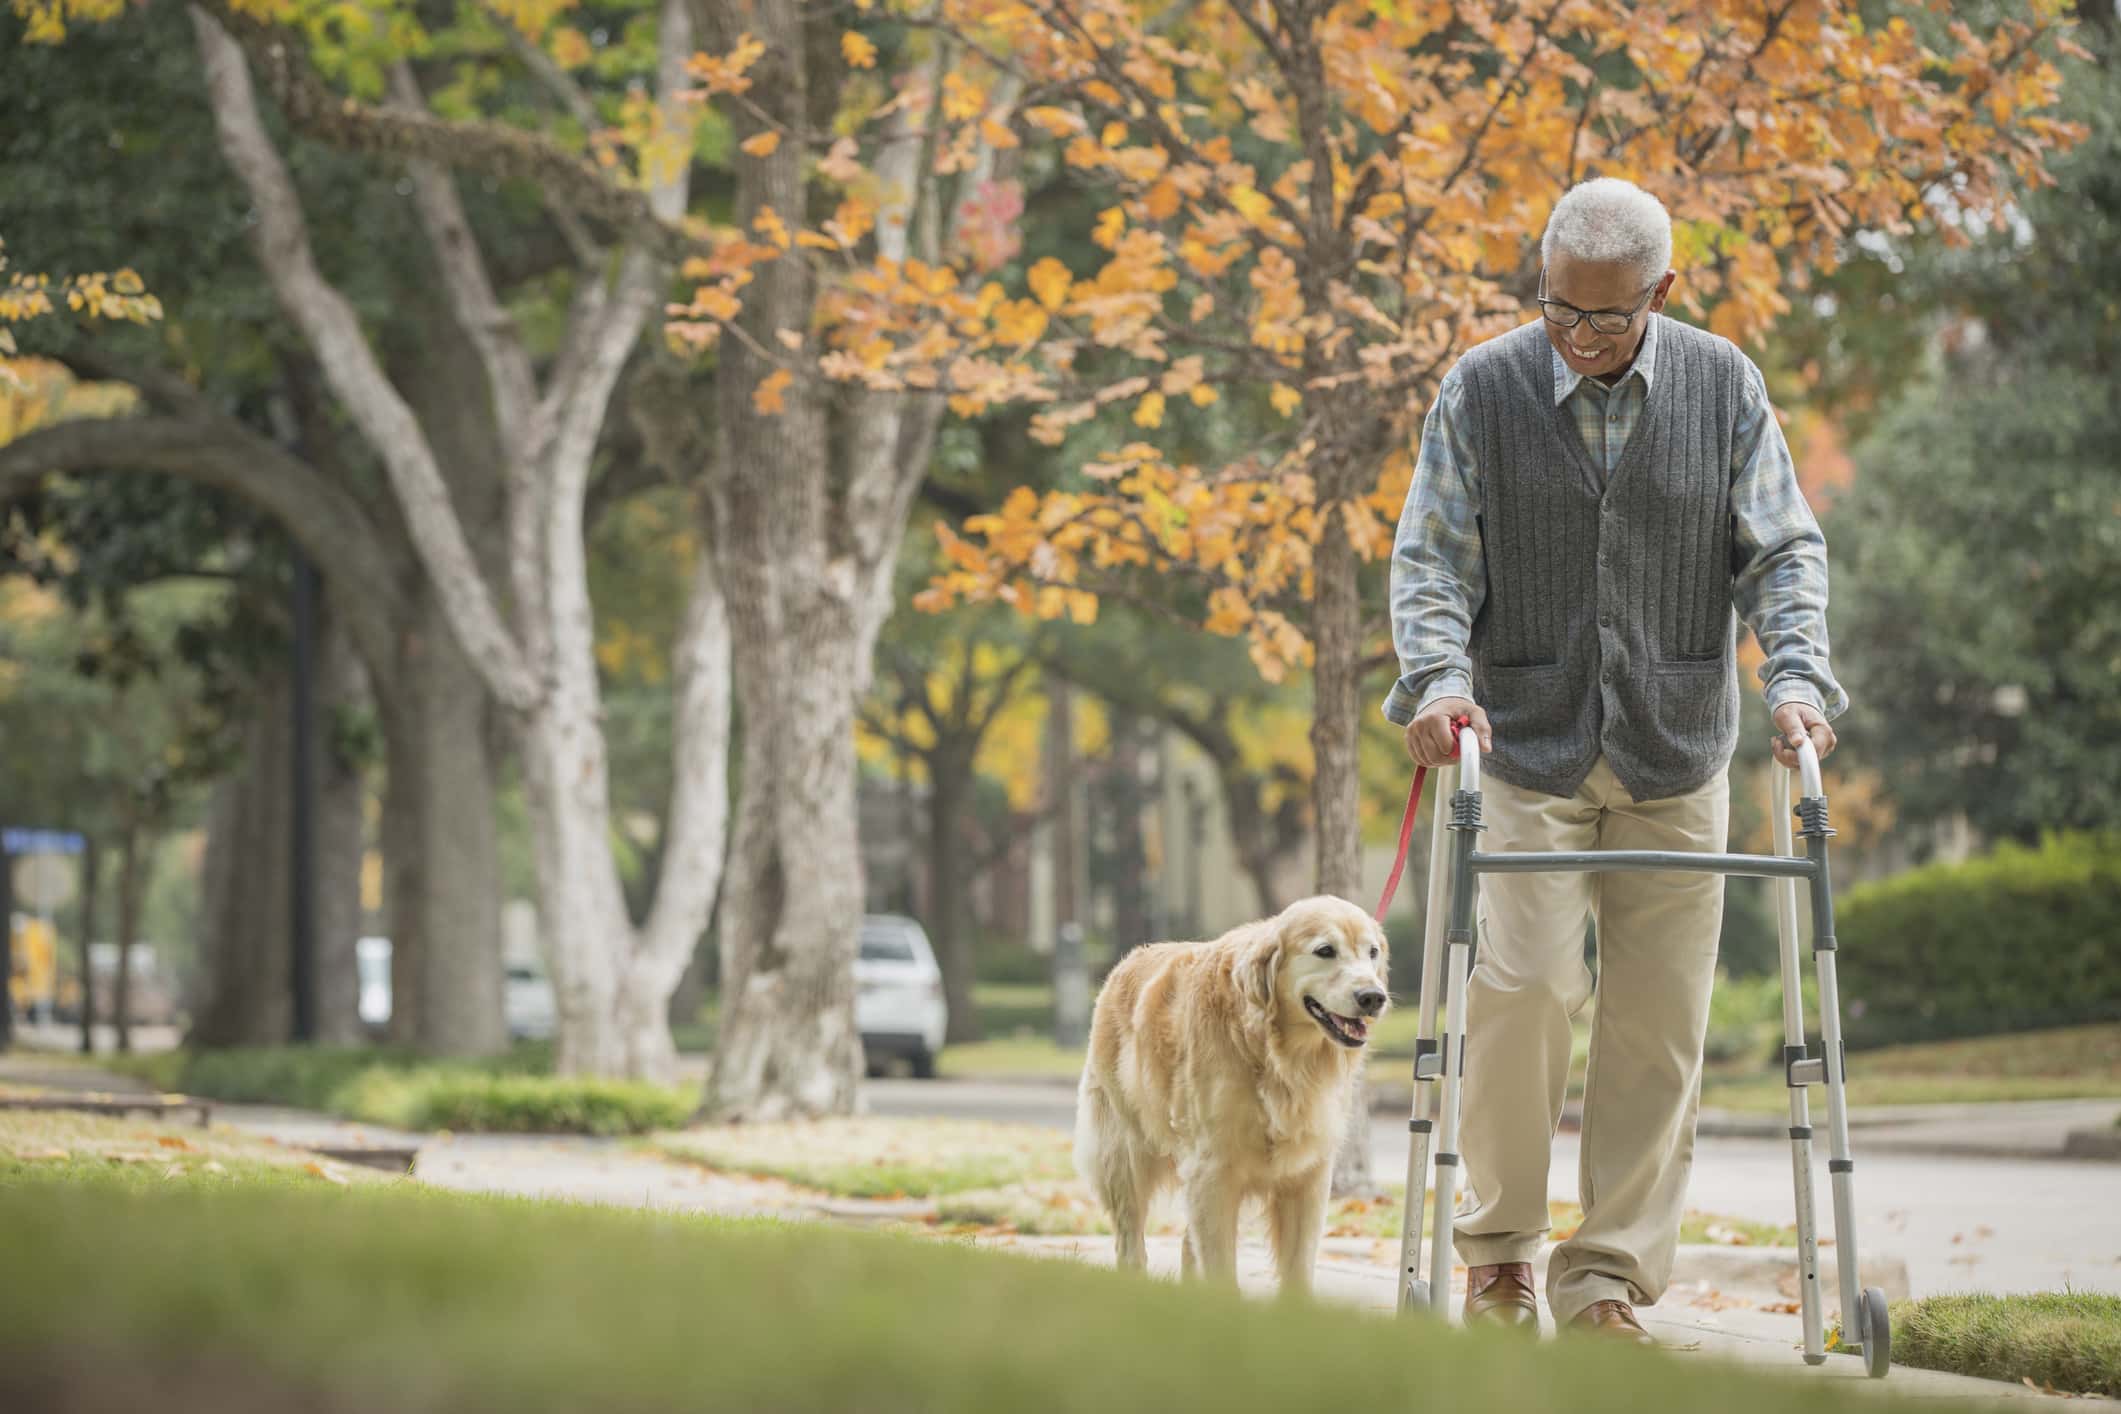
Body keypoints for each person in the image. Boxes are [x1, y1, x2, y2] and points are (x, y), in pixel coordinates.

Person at [1381, 177, 1846, 1343]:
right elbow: (1430, 559)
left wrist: (1795, 680)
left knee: (1657, 1021)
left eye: (1607, 318)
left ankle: (1607, 1282)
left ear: (1662, 292)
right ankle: (1500, 1257)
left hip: (1677, 741)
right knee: (1524, 987)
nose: (1579, 339)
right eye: (1558, 311)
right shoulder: (1481, 389)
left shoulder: (1723, 383)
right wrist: (1440, 682)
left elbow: (1783, 550)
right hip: (1523, 745)